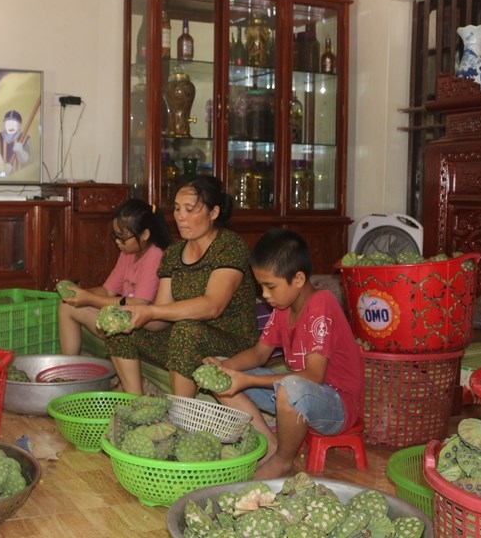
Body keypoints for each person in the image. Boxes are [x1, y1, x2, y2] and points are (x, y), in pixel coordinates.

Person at [203, 228, 364, 479]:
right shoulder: (282, 308)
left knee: (290, 388)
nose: (265, 296)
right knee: (220, 375)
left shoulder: (321, 303)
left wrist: (248, 380)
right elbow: (259, 354)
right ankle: (270, 447)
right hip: (296, 392)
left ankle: (283, 462)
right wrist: (225, 368)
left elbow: (313, 376)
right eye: (261, 287)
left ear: (298, 279)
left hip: (337, 406)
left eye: (270, 286)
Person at [108, 175, 258, 397]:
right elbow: (161, 318)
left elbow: (212, 306)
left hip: (231, 341)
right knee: (120, 330)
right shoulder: (173, 254)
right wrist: (133, 316)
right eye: (177, 209)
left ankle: (182, 416)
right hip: (187, 335)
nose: (180, 217)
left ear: (213, 213)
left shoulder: (230, 246)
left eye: (190, 209)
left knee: (185, 330)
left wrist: (151, 311)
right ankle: (136, 403)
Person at [58, 198, 172, 355]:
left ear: (145, 234)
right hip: (125, 311)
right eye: (115, 236)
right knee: (66, 306)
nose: (118, 242)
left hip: (145, 325)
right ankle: (68, 368)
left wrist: (89, 299)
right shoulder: (128, 253)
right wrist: (78, 294)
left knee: (113, 315)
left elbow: (137, 302)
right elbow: (108, 291)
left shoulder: (155, 256)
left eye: (123, 237)